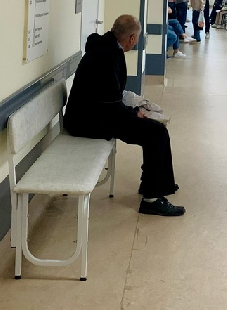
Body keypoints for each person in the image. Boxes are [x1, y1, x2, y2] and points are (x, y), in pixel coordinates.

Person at [64, 15, 185, 216]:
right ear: (131, 38)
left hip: (91, 114)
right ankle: (151, 199)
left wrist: (134, 111)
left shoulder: (105, 47)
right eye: (137, 38)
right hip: (88, 121)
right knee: (157, 133)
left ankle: (157, 184)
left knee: (155, 130)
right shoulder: (108, 55)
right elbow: (110, 103)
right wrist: (134, 114)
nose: (136, 42)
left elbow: (110, 96)